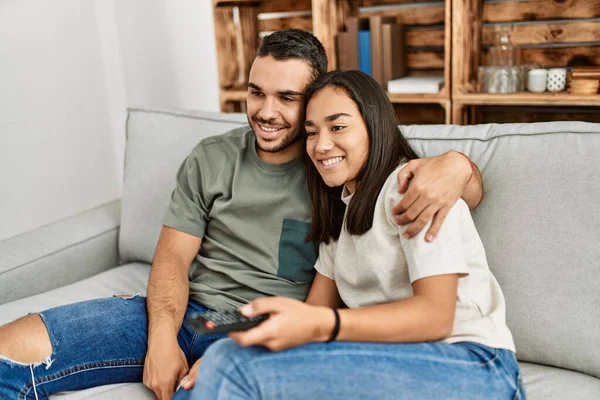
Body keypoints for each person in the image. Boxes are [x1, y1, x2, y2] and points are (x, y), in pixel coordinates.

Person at [0, 30, 482, 400]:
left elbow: (433, 187)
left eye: (288, 99)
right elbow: (170, 260)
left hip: (259, 326)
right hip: (185, 311)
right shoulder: (212, 158)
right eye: (256, 93)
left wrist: (458, 166)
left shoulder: (335, 167)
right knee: (7, 351)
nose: (266, 112)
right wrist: (163, 337)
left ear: (318, 100)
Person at [189, 70, 524, 400]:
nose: (321, 145)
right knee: (221, 361)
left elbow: (436, 317)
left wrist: (323, 325)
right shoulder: (340, 219)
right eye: (311, 132)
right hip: (398, 359)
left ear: (374, 128)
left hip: (474, 364)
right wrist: (252, 341)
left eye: (338, 127)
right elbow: (313, 311)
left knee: (232, 367)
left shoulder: (415, 188)